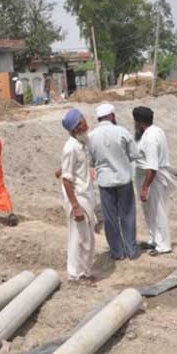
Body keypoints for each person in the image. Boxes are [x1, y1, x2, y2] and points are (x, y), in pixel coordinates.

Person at [88, 103, 140, 260]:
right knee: (128, 215)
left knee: (110, 218)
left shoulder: (91, 136)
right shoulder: (122, 131)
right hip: (124, 180)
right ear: (111, 116)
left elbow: (90, 161)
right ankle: (132, 250)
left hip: (105, 182)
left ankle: (117, 252)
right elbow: (134, 155)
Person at [58, 108, 98, 281]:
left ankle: (84, 272)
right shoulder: (70, 148)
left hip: (86, 196)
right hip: (78, 198)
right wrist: (75, 207)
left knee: (87, 238)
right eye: (82, 121)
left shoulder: (82, 143)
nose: (86, 124)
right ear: (75, 128)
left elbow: (69, 170)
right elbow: (66, 180)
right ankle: (75, 274)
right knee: (78, 238)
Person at [132, 106, 173, 257]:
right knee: (149, 211)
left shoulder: (150, 137)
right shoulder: (155, 131)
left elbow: (152, 166)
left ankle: (163, 245)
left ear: (139, 122)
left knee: (158, 210)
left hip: (152, 178)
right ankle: (154, 239)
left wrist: (145, 187)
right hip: (147, 176)